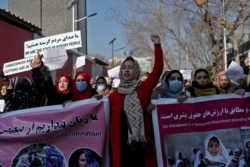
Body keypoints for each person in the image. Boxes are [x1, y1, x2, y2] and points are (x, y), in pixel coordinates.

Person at [108, 34, 163, 167]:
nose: (127, 70)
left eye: (130, 67)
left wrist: (157, 45)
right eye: (124, 67)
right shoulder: (112, 96)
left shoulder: (143, 89)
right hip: (122, 149)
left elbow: (157, 69)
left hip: (141, 148)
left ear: (137, 70)